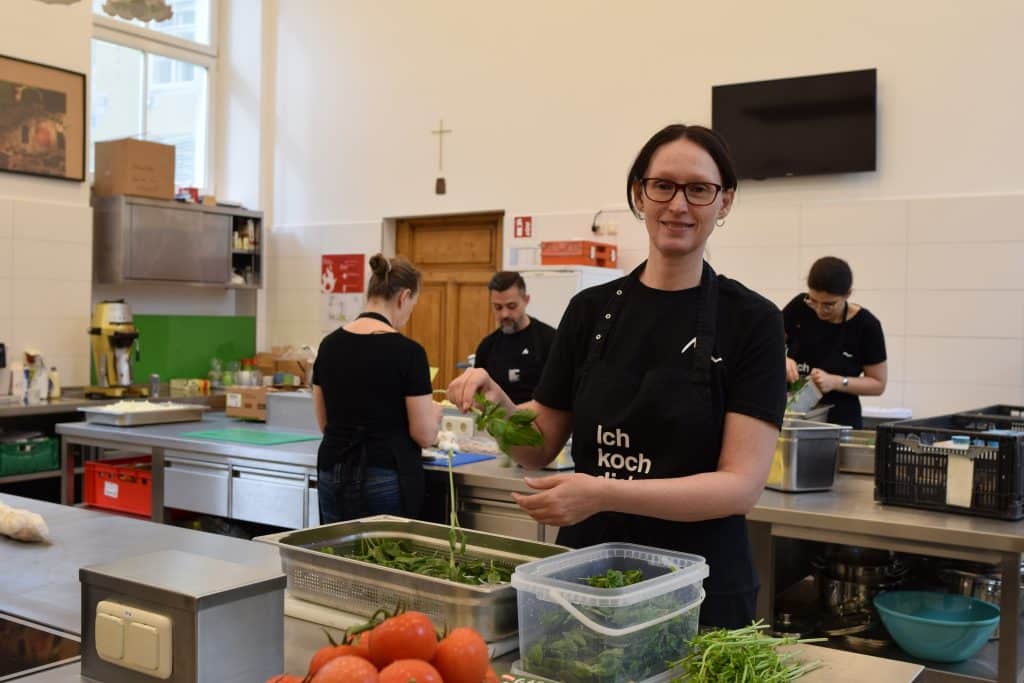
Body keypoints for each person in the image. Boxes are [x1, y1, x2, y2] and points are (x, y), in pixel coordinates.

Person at [448, 124, 786, 628]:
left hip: (699, 588)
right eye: (662, 186)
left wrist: (603, 491)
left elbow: (739, 487)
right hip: (587, 577)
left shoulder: (753, 320)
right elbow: (536, 446)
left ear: (725, 202)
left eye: (698, 189)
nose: (678, 205)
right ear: (638, 194)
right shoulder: (590, 311)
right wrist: (494, 402)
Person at [312, 253, 441, 523]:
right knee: (384, 561)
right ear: (403, 297)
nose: (408, 314)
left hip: (332, 470)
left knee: (334, 557)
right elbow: (424, 435)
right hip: (385, 475)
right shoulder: (409, 353)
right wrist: (434, 415)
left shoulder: (329, 345)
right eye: (412, 305)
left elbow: (324, 423)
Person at [783, 256, 887, 428]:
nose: (819, 310)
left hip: (839, 421)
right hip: (793, 416)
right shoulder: (799, 307)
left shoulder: (866, 326)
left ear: (847, 294)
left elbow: (878, 383)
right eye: (813, 301)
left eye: (829, 304)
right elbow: (767, 342)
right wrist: (781, 358)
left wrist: (835, 382)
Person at [473, 271, 557, 404]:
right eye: (498, 307)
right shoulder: (487, 347)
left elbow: (558, 395)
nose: (505, 314)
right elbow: (479, 396)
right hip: (497, 421)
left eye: (511, 306)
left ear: (526, 300)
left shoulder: (550, 340)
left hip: (536, 422)